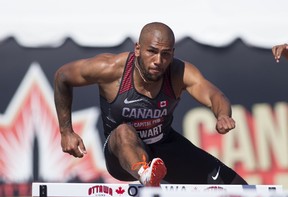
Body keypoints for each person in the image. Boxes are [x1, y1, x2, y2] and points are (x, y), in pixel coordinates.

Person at [54, 22, 247, 187]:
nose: (158, 61)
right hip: (121, 154)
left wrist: (222, 115)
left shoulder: (179, 72)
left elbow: (214, 94)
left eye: (165, 54)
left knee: (239, 190)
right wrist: (66, 131)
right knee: (123, 131)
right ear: (137, 49)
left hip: (164, 146)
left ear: (173, 53)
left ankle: (151, 174)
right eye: (152, 52)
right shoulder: (111, 69)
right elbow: (63, 76)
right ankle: (145, 175)